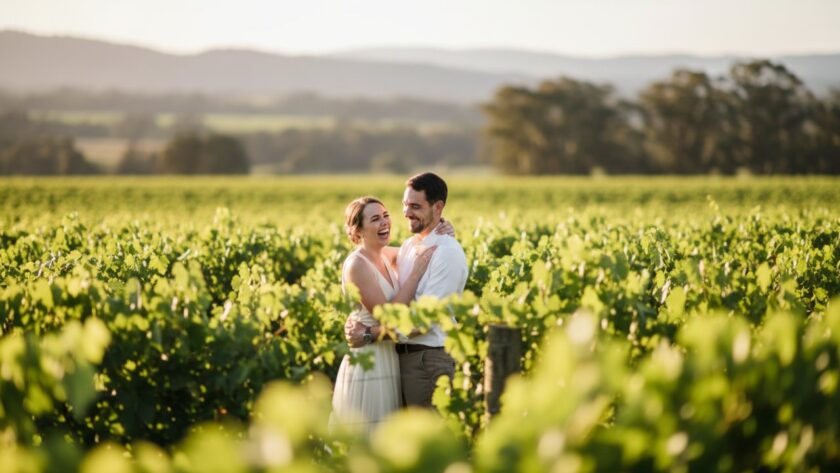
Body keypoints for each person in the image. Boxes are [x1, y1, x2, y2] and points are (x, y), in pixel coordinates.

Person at [330, 196, 454, 432]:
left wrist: (444, 228)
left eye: (386, 216)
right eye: (375, 219)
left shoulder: (387, 255)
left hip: (391, 358)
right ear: (358, 230)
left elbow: (424, 248)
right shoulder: (357, 264)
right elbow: (389, 317)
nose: (384, 222)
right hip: (370, 364)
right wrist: (415, 274)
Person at [346, 173, 468, 408]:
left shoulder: (446, 253)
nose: (406, 212)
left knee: (430, 440)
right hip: (399, 360)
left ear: (438, 207)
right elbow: (370, 257)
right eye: (404, 205)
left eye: (415, 206)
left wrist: (369, 333)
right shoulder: (409, 247)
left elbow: (421, 323)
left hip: (428, 360)